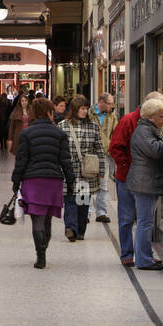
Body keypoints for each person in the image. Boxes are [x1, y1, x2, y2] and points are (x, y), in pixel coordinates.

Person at [11, 96, 76, 269]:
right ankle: (44, 247)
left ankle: (41, 256)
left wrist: (16, 181)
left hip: (33, 181)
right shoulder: (60, 134)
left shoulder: (26, 134)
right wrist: (71, 182)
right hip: (53, 181)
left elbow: (21, 161)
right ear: (49, 112)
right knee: (47, 220)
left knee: (37, 220)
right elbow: (66, 161)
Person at [108, 90, 163, 267]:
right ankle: (127, 254)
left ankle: (140, 254)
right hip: (125, 177)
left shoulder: (153, 125)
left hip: (139, 177)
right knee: (126, 217)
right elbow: (115, 147)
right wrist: (127, 167)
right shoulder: (129, 121)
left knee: (142, 219)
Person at [125, 96, 163, 270]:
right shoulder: (143, 131)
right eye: (161, 116)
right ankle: (143, 259)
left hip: (146, 181)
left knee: (146, 221)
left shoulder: (147, 129)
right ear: (151, 117)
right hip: (144, 183)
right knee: (145, 222)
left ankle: (145, 255)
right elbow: (156, 151)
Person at [60, 95, 106, 242]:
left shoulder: (93, 127)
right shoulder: (63, 126)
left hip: (87, 171)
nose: (85, 111)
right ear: (74, 109)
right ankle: (70, 228)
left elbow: (99, 149)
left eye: (86, 108)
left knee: (83, 202)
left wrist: (101, 170)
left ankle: (80, 230)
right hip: (69, 170)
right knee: (70, 200)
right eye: (82, 108)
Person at [92, 92, 117, 224]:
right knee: (87, 183)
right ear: (101, 102)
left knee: (104, 184)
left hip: (106, 154)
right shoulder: (89, 114)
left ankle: (101, 212)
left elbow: (116, 132)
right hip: (90, 154)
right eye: (109, 103)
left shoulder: (112, 116)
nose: (112, 106)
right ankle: (87, 212)